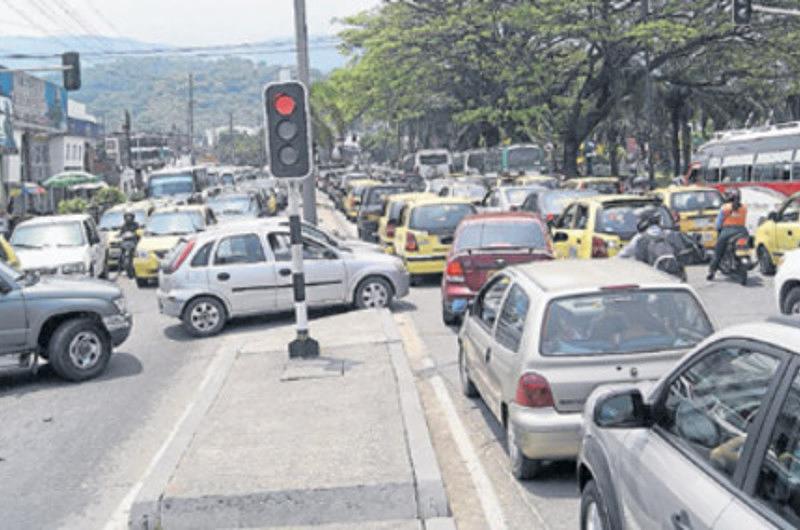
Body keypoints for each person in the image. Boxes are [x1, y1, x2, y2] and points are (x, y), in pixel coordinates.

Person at [707, 188, 748, 281]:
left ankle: (711, 272)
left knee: (718, 252)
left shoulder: (725, 208)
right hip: (742, 231)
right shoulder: (744, 208)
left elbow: (718, 224)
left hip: (727, 232)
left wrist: (717, 229)